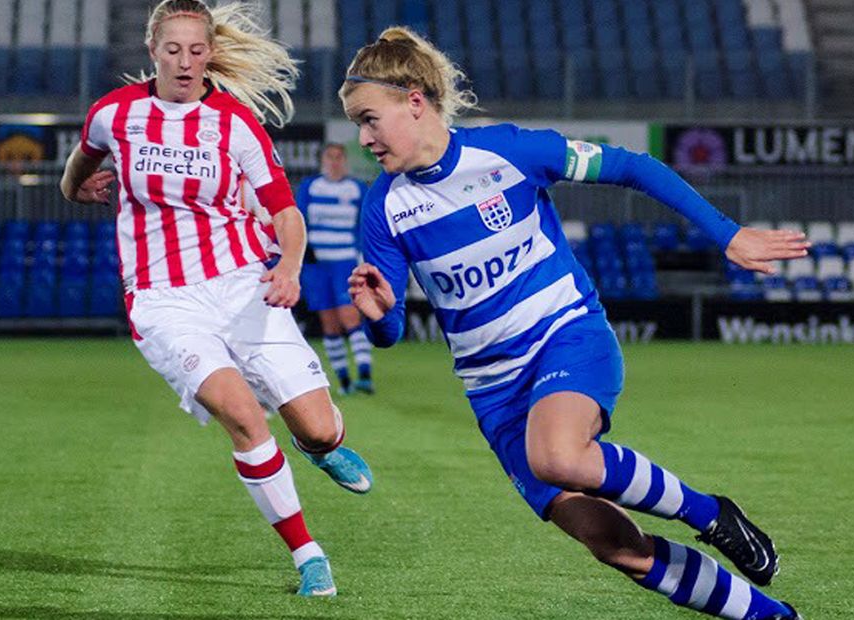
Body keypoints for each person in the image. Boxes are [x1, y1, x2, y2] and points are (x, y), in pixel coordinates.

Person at [343, 27, 807, 620]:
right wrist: (379, 316)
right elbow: (388, 332)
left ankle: (708, 513)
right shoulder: (383, 207)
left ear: (413, 100)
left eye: (369, 119)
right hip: (494, 393)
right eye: (357, 124)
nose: (364, 138)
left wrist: (730, 235)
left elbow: (633, 167)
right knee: (615, 546)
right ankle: (773, 616)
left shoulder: (510, 152)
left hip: (565, 336)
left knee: (559, 456)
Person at [59, 0, 373, 597]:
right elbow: (78, 166)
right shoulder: (114, 115)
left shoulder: (234, 123)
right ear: (152, 50)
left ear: (210, 53)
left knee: (322, 428)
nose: (184, 62)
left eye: (196, 50)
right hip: (163, 300)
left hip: (244, 286)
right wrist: (75, 189)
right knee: (243, 416)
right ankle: (308, 554)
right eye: (172, 50)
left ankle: (318, 446)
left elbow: (285, 213)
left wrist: (289, 265)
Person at [296, 143, 374, 395]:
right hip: (317, 265)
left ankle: (364, 374)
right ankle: (344, 380)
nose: (335, 161)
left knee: (349, 317)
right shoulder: (310, 186)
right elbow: (298, 219)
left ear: (345, 160)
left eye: (339, 157)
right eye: (330, 157)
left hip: (345, 262)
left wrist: (363, 257)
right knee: (329, 324)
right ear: (322, 160)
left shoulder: (356, 188)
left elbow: (365, 225)